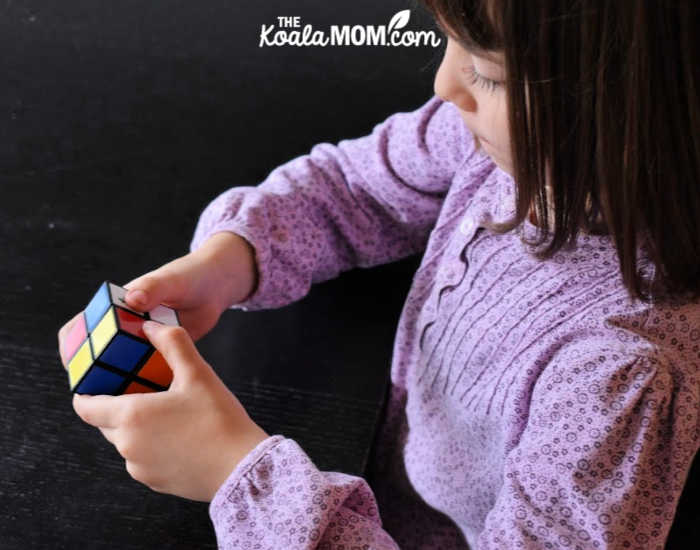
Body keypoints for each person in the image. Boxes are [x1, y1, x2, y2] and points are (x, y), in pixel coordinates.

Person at [57, 0, 700, 548]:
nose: (446, 84)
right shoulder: (509, 150)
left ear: (642, 111)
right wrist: (231, 262)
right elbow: (355, 187)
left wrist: (238, 477)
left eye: (490, 72)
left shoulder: (625, 378)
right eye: (450, 42)